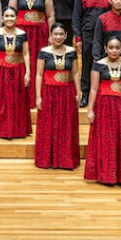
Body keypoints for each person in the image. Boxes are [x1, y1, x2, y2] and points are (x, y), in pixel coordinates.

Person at [84, 36, 121, 186]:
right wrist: (90, 110)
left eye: (117, 47)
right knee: (106, 140)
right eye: (111, 47)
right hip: (104, 106)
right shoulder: (98, 65)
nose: (114, 50)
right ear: (105, 49)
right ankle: (106, 175)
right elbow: (93, 89)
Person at [35, 24, 80, 170]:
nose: (58, 37)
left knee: (66, 124)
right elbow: (39, 74)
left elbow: (75, 74)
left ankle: (65, 160)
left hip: (67, 92)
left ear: (66, 35)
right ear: (51, 35)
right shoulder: (43, 52)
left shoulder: (72, 52)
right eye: (56, 34)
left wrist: (78, 92)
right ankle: (47, 159)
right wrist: (38, 96)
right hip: (49, 92)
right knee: (49, 124)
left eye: (61, 34)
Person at [10, 0, 55, 105]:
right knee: (21, 61)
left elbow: (51, 15)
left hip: (39, 32)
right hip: (21, 32)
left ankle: (38, 96)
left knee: (38, 62)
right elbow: (11, 14)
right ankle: (21, 97)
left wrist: (51, 35)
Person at [0, 8, 32, 139]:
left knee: (17, 99)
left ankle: (17, 130)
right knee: (1, 100)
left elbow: (26, 53)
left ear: (17, 18)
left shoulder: (22, 34)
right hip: (1, 70)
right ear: (2, 18)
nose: (9, 19)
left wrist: (28, 72)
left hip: (18, 71)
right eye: (6, 16)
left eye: (12, 16)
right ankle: (0, 129)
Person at [72, 0, 108, 107]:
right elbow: (76, 17)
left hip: (105, 36)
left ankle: (101, 93)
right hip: (87, 35)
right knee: (87, 65)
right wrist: (78, 38)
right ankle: (85, 93)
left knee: (104, 64)